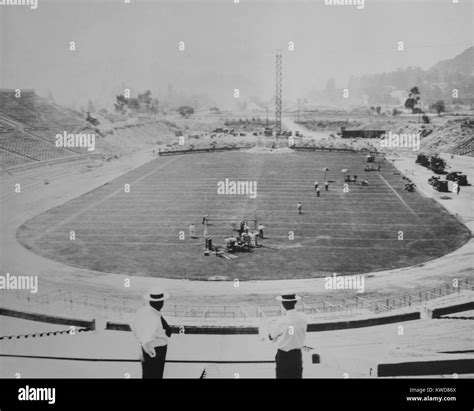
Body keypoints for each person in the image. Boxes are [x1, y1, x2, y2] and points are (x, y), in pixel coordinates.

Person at [264, 291, 307, 379]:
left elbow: (272, 337)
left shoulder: (282, 321)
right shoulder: (303, 318)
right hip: (297, 355)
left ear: (283, 304)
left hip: (283, 356)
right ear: (295, 302)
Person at [132, 287, 172, 379]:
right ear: (160, 302)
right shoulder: (152, 317)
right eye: (162, 301)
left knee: (148, 376)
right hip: (155, 352)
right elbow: (147, 339)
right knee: (154, 376)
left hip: (152, 351)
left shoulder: (146, 311)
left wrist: (142, 347)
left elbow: (133, 325)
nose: (162, 303)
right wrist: (151, 353)